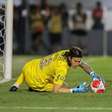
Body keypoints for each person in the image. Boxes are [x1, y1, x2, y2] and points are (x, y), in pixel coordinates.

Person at [10, 47, 100, 93]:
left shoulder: (66, 52)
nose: (78, 63)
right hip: (35, 81)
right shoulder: (62, 69)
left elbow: (82, 64)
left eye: (79, 60)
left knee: (29, 69)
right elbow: (55, 90)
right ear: (69, 58)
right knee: (65, 87)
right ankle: (34, 88)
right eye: (76, 61)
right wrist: (75, 90)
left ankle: (16, 84)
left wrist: (94, 75)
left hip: (30, 66)